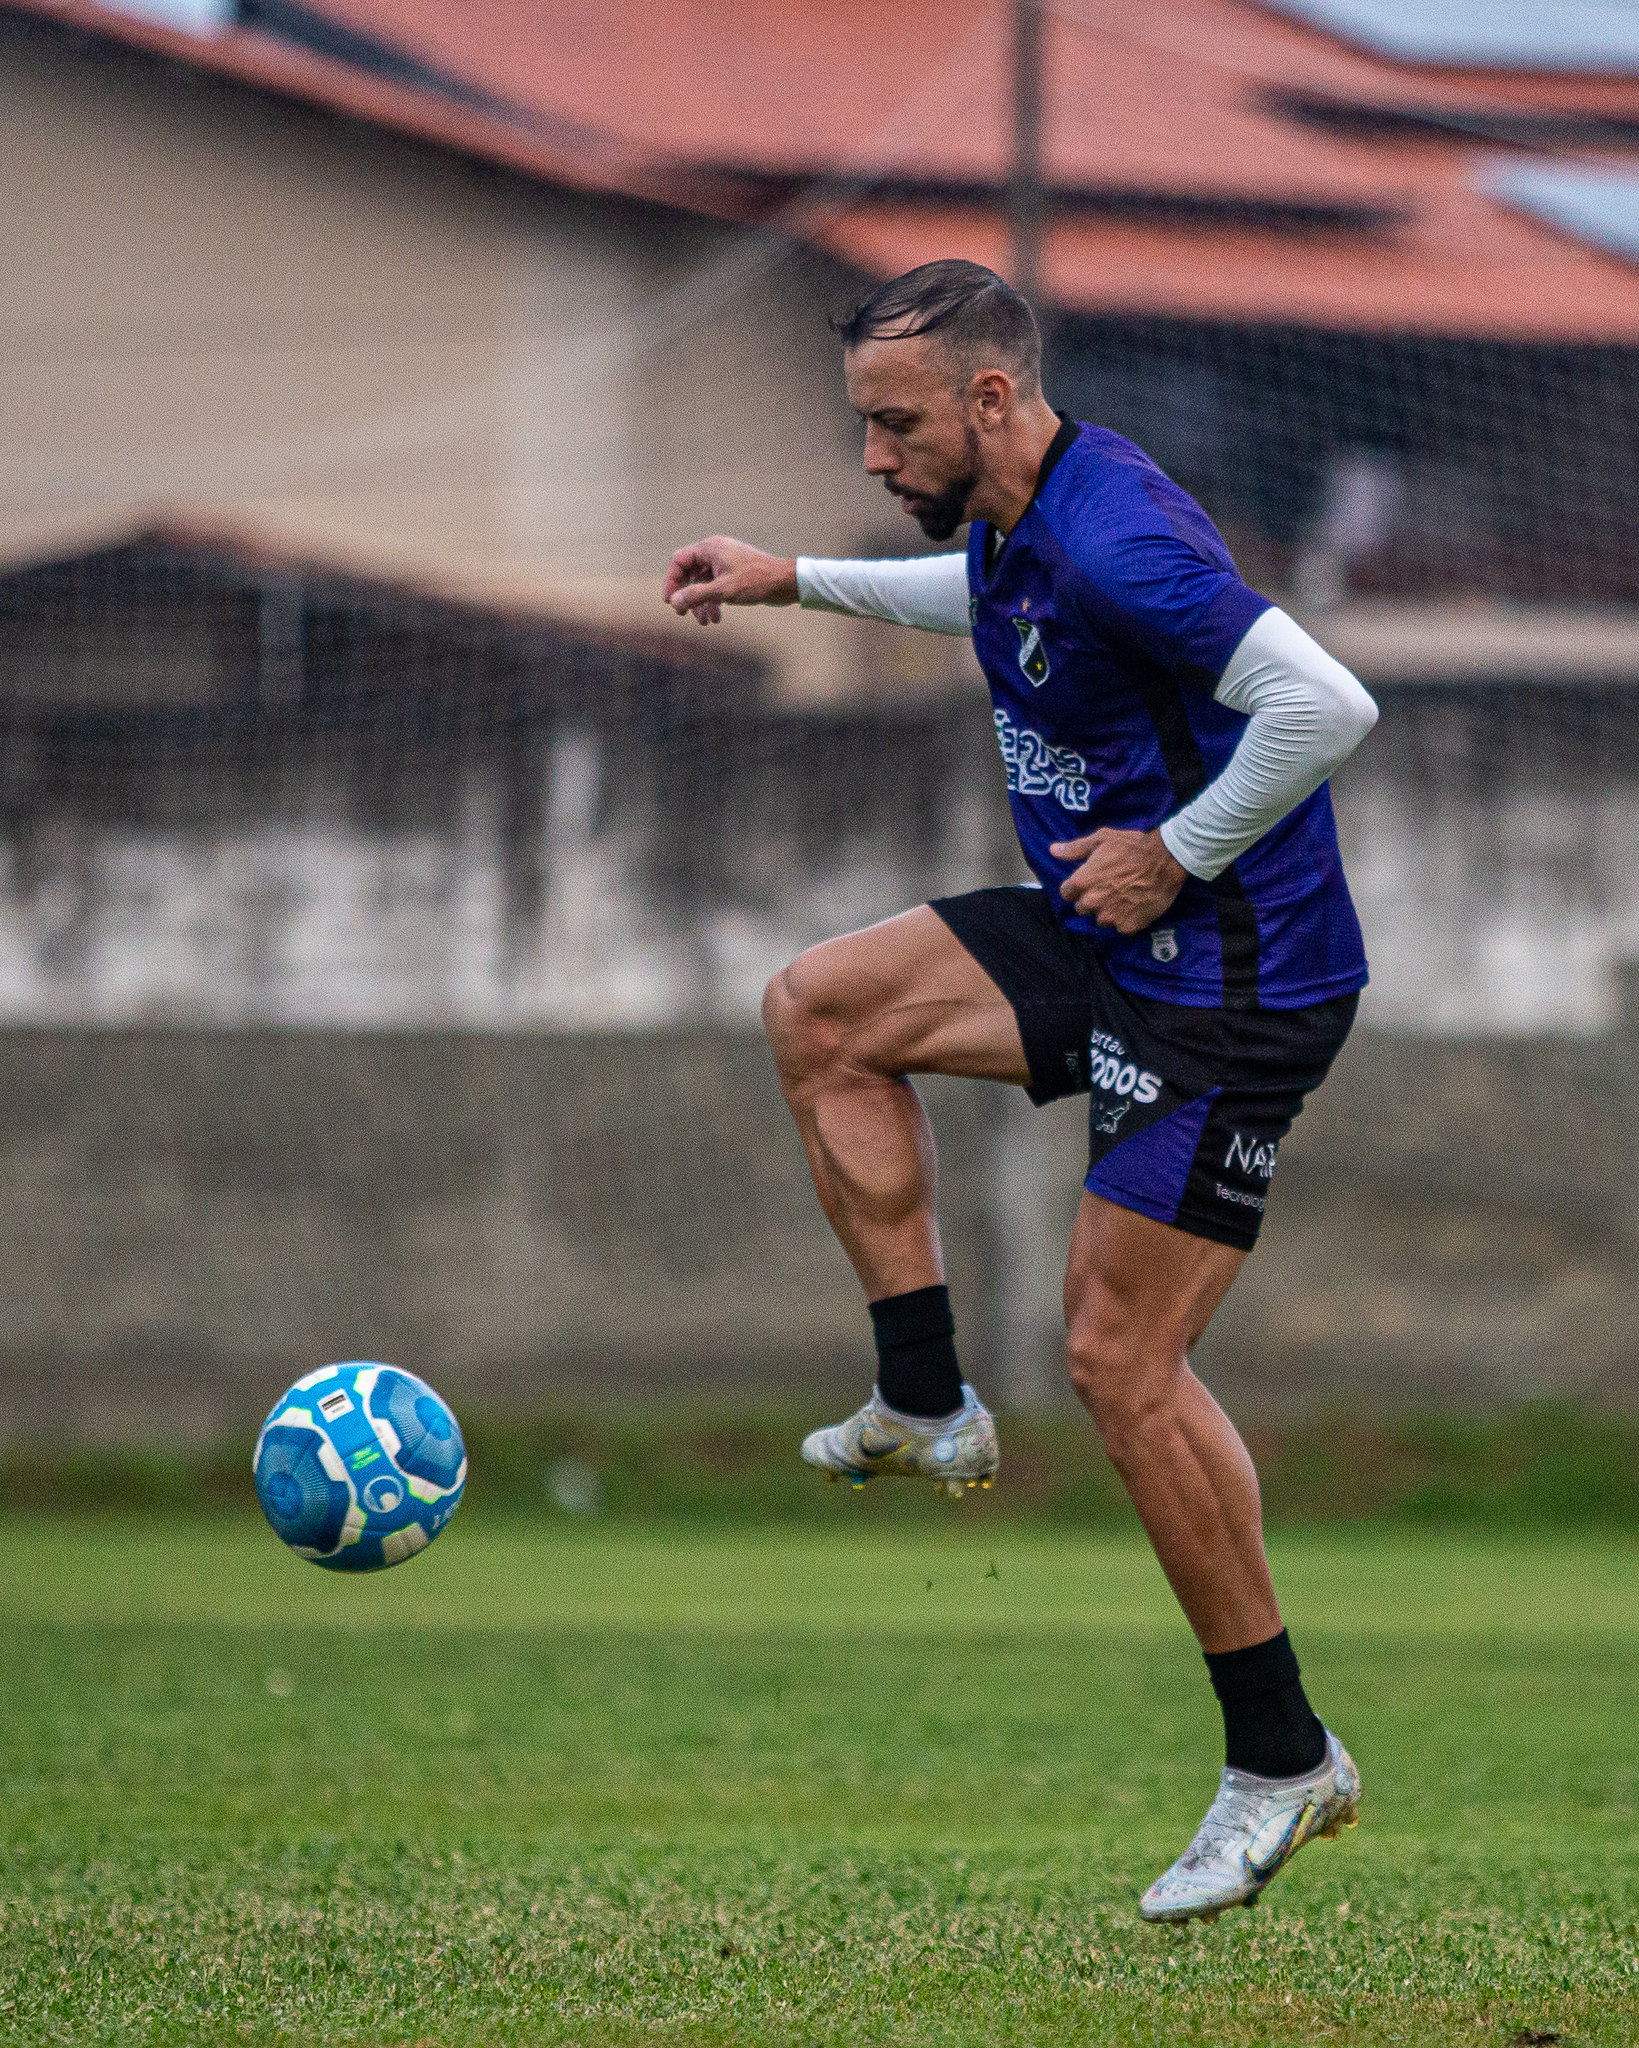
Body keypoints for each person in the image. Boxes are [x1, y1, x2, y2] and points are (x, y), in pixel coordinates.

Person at [662, 259, 1376, 1924]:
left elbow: (1323, 703)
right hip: (1106, 929)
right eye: (862, 426)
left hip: (1234, 977)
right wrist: (794, 584)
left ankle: (1283, 1760)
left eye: (892, 423)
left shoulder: (1124, 533)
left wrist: (1180, 852)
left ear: (991, 399)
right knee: (820, 1011)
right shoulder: (1013, 520)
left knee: (1122, 1362)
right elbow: (987, 603)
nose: (870, 455)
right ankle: (926, 1400)